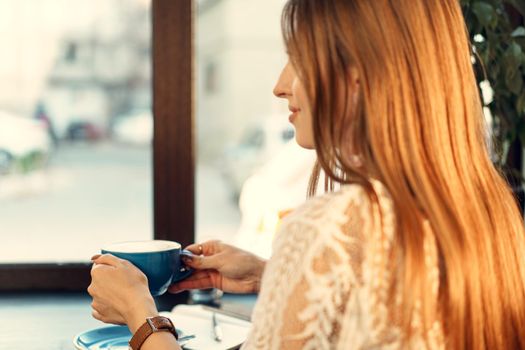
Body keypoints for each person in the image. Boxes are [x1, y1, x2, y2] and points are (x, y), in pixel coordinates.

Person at [88, 0, 525, 349]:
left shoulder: (329, 226)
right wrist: (274, 274)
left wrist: (141, 316)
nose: (280, 85)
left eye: (298, 57)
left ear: (356, 76)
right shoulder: (491, 210)